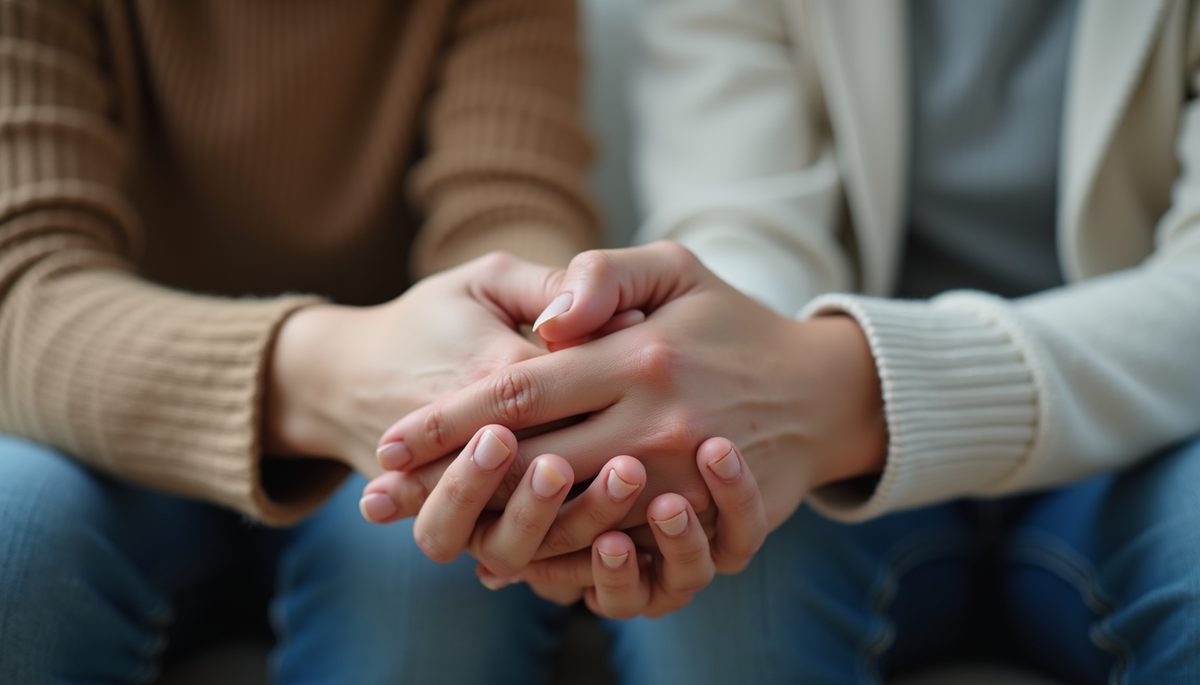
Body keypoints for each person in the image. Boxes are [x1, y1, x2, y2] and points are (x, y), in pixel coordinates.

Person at [368, 1, 1200, 682]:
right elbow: (746, 223)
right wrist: (704, 381)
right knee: (708, 532)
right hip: (836, 445)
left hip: (1150, 432)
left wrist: (842, 388)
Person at [0, 2, 742, 682]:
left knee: (428, 565)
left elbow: (508, 205)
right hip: (106, 425)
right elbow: (22, 284)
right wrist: (329, 370)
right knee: (17, 525)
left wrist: (528, 361)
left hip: (395, 428)